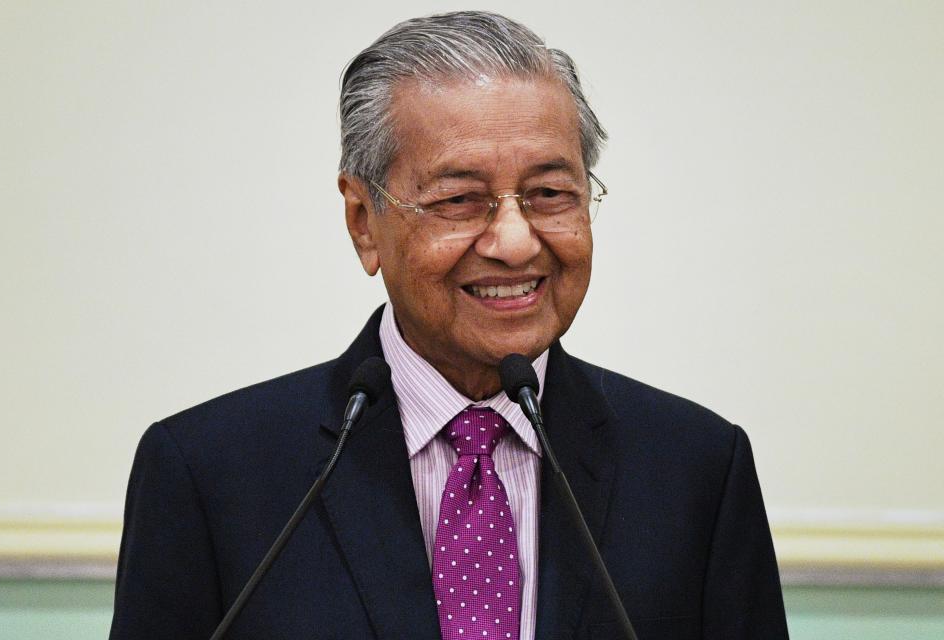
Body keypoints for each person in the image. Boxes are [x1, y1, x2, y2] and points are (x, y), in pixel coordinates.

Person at [109, 11, 788, 640]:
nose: (516, 243)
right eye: (461, 200)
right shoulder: (209, 474)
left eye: (551, 194)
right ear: (361, 221)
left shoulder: (697, 469)